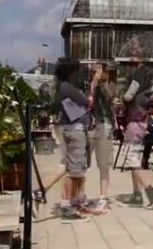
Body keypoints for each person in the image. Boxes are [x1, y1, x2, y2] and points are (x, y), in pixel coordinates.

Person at [54, 59, 91, 220]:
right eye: (77, 70)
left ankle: (74, 201)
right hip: (75, 130)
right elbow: (87, 102)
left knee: (77, 168)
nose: (79, 73)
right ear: (71, 72)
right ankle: (66, 205)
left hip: (73, 129)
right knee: (74, 170)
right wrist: (93, 85)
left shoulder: (63, 86)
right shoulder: (67, 87)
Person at [119, 84, 153, 209]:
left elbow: (126, 98)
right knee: (134, 161)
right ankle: (137, 194)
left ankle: (151, 191)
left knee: (133, 162)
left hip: (133, 128)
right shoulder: (144, 97)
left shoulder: (137, 96)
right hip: (139, 129)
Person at [88, 64, 117, 214]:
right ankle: (79, 195)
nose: (96, 73)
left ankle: (103, 198)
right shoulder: (90, 86)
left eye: (99, 70)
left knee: (103, 164)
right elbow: (88, 102)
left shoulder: (109, 86)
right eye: (94, 70)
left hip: (104, 126)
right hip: (90, 127)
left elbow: (109, 100)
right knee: (82, 163)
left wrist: (96, 83)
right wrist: (93, 82)